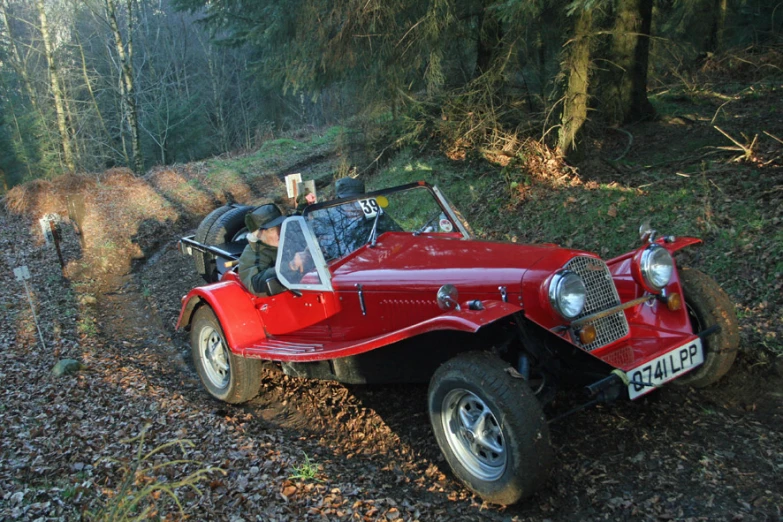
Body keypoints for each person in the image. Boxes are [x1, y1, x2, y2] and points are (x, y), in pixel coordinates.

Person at [237, 204, 285, 296]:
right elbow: (256, 284)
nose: (279, 232)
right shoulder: (252, 254)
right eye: (272, 229)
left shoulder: (292, 238)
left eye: (280, 225)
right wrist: (290, 266)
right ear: (258, 234)